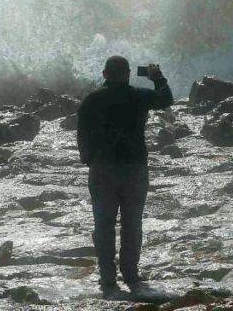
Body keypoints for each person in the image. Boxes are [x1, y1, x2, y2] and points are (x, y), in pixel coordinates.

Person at [77, 56, 173, 297]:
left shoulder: (93, 99)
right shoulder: (139, 96)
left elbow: (82, 134)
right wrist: (157, 78)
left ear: (104, 74)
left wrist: (89, 159)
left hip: (103, 168)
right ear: (128, 74)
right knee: (132, 223)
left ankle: (108, 277)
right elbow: (166, 99)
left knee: (104, 223)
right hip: (134, 166)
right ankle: (130, 274)